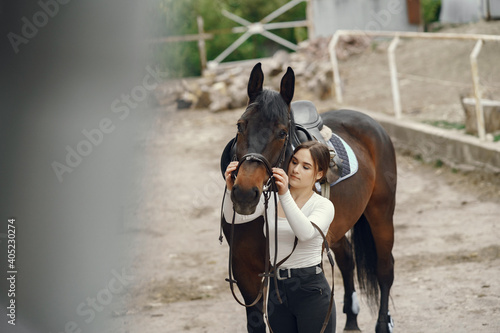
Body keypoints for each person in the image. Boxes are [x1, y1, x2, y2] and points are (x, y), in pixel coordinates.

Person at [223, 141, 336, 333]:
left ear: (319, 174)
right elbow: (234, 218)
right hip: (277, 290)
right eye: (294, 162)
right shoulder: (271, 199)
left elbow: (305, 233)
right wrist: (229, 189)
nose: (295, 169)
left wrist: (284, 194)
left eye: (305, 166)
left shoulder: (323, 206)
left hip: (310, 290)